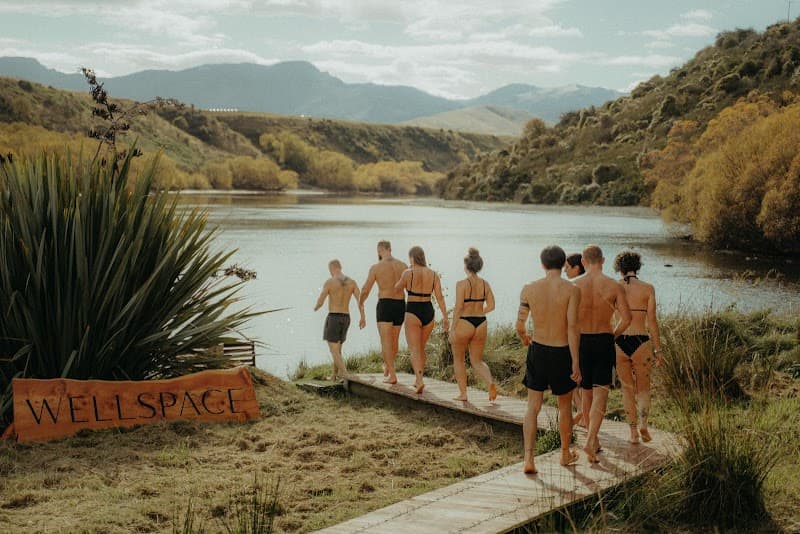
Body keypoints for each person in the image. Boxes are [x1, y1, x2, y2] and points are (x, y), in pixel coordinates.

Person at [516, 245, 582, 473]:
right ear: (564, 265)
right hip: (562, 351)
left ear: (542, 264)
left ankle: (529, 459)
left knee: (532, 407)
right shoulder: (572, 290)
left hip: (538, 349)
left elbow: (520, 325)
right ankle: (565, 454)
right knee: (564, 408)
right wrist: (575, 361)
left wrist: (526, 338)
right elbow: (573, 327)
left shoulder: (529, 288)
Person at [574, 245, 631, 463]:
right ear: (603, 260)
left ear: (583, 261)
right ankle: (591, 441)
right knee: (601, 393)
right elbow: (626, 319)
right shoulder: (614, 286)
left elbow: (567, 320)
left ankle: (593, 440)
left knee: (586, 392)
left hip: (581, 342)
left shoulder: (574, 285)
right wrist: (613, 335)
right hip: (603, 340)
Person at [613, 250, 663, 444]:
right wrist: (658, 349)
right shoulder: (648, 288)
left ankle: (633, 433)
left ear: (619, 268)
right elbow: (652, 321)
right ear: (638, 266)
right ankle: (643, 424)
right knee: (643, 388)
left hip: (619, 343)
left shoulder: (613, 287)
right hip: (641, 341)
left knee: (627, 388)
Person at [395, 246, 449, 394]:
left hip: (413, 310)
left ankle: (419, 380)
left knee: (414, 349)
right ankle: (419, 378)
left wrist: (403, 275)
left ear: (412, 258)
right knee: (421, 348)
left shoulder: (408, 273)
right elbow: (439, 297)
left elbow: (397, 289)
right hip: (428, 311)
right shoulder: (433, 274)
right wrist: (445, 317)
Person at [449, 248, 497, 402]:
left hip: (465, 322)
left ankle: (463, 394)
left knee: (459, 360)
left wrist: (452, 329)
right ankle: (490, 383)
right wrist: (479, 311)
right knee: (477, 360)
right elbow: (492, 306)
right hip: (481, 323)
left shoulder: (461, 284)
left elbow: (458, 308)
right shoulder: (485, 284)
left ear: (466, 266)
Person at [359, 240, 407, 384]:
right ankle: (388, 366)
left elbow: (366, 289)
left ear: (380, 250)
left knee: (386, 341)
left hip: (385, 304)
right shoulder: (403, 266)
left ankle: (392, 375)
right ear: (390, 249)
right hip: (400, 304)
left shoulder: (376, 267)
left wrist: (360, 302)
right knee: (395, 340)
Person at [314, 259, 364, 381]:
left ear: (332, 268)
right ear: (340, 267)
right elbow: (360, 300)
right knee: (338, 349)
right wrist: (363, 317)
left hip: (334, 317)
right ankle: (334, 375)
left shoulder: (330, 282)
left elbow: (321, 300)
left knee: (333, 350)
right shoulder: (352, 282)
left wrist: (316, 307)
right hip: (346, 318)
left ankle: (345, 374)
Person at [563, 252, 586, 427]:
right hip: (591, 335)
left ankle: (581, 412)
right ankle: (583, 413)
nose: (564, 272)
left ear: (576, 268)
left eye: (567, 268)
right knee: (583, 380)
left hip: (574, 336)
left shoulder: (571, 286)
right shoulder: (591, 284)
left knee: (572, 377)